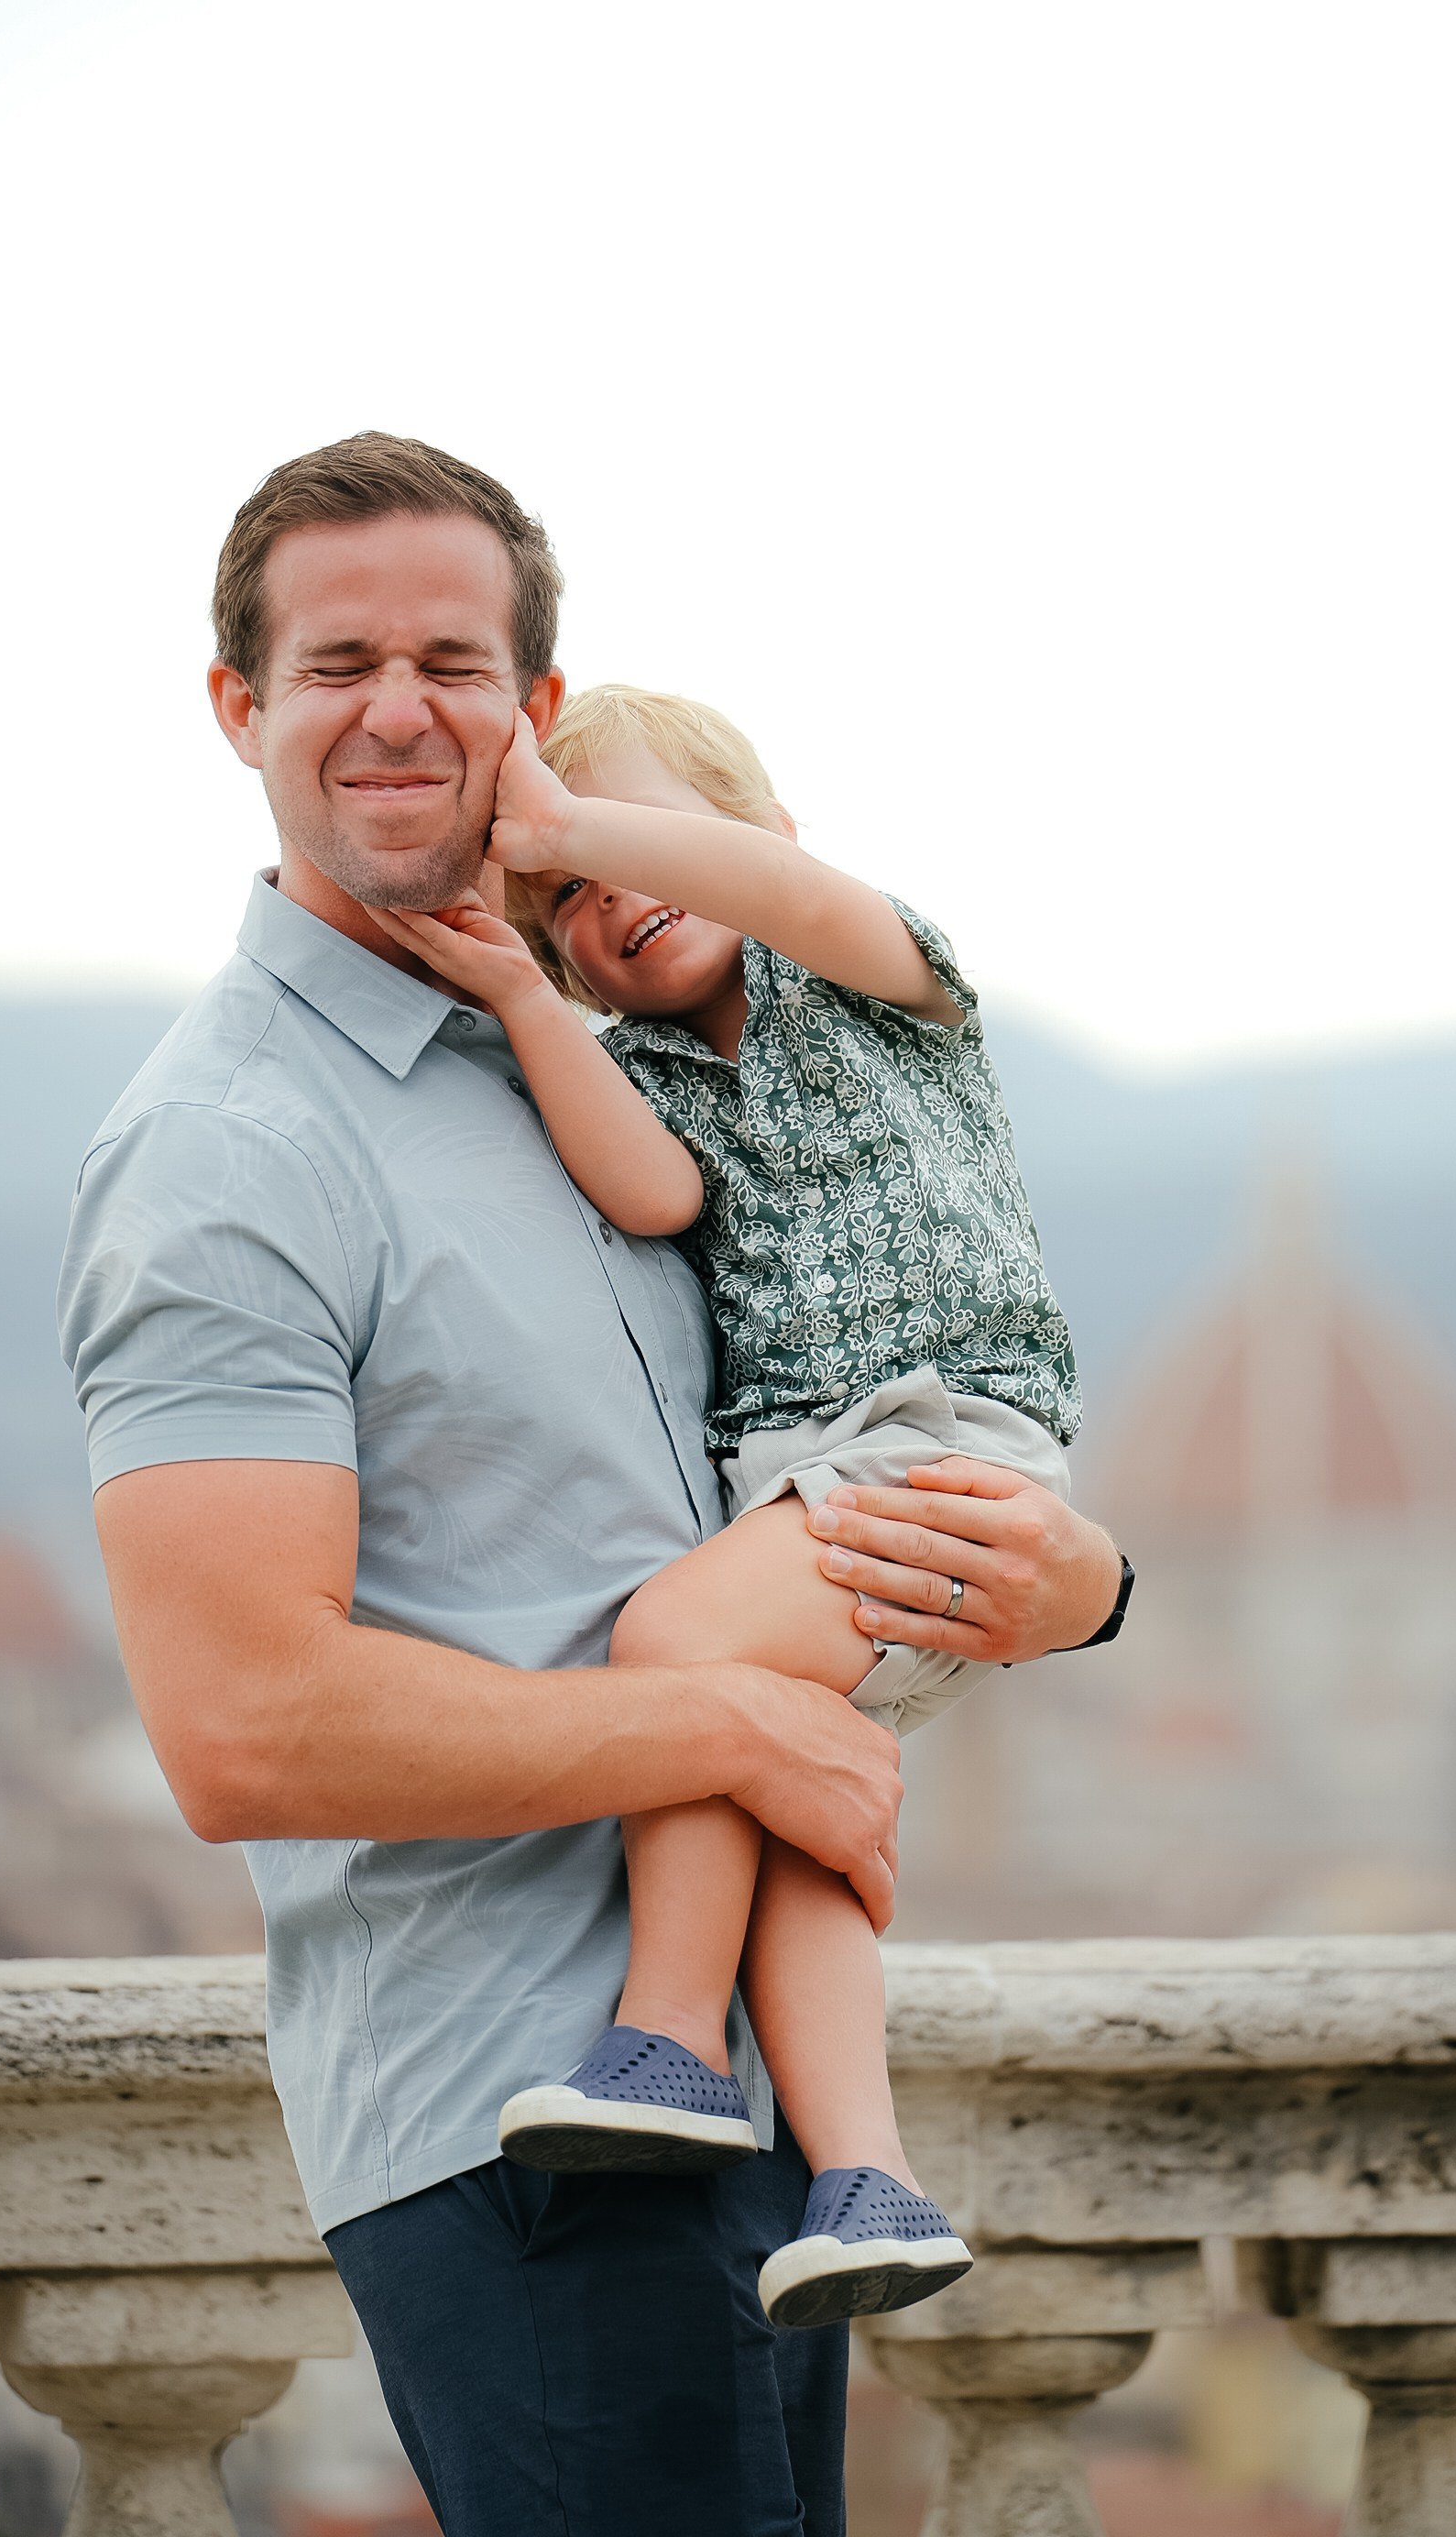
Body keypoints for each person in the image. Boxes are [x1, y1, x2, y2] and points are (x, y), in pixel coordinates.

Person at [60, 431, 1130, 2537]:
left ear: (532, 714)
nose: (397, 709)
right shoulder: (230, 1149)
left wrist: (1074, 1581)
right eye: (335, 660)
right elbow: (243, 1724)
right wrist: (728, 1713)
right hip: (513, 2127)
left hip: (735, 2112)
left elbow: (827, 1446)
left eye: (453, 660)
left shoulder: (570, 1056)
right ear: (236, 710)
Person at [370, 681, 1078, 2331]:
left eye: (647, 844)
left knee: (674, 1639)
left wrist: (558, 830)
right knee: (791, 1820)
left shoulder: (878, 987)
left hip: (944, 1451)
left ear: (760, 837)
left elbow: (804, 904)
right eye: (574, 914)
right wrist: (518, 985)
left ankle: (674, 2043)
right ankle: (867, 2179)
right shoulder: (656, 1078)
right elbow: (652, 1191)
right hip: (807, 1496)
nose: (611, 896)